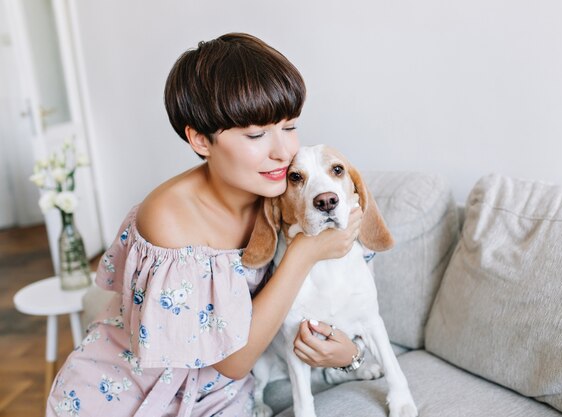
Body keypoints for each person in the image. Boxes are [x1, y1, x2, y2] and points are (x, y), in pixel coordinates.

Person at [46, 32, 363, 417]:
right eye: (256, 134)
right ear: (200, 141)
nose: (282, 150)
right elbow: (232, 360)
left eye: (289, 125)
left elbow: (347, 282)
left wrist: (352, 353)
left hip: (221, 397)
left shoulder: (288, 188)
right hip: (122, 396)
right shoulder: (167, 217)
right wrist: (303, 254)